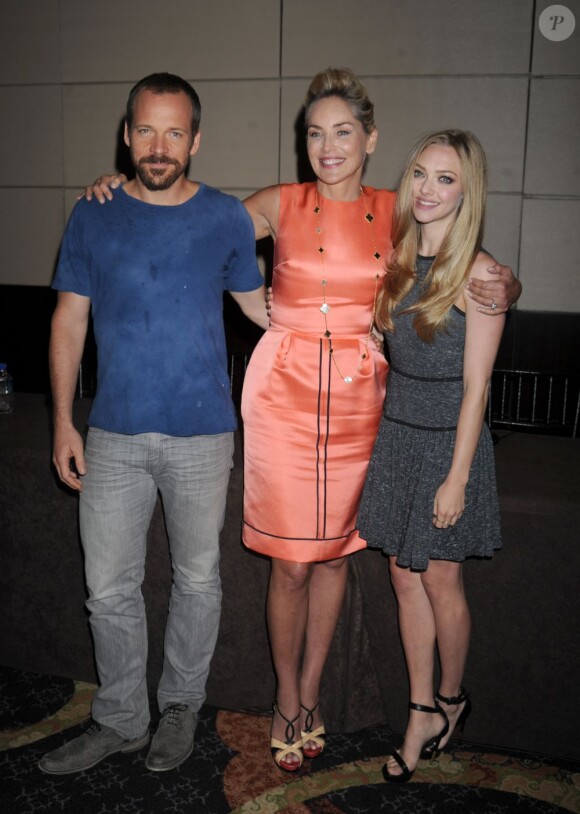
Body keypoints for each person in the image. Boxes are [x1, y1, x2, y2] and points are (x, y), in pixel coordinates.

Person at [83, 69, 519, 773]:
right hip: (284, 394)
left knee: (337, 559)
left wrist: (508, 284)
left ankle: (314, 694)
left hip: (364, 402)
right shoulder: (280, 204)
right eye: (315, 133)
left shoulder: (397, 207)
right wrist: (117, 188)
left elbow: (461, 248)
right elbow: (191, 215)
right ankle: (287, 696)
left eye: (343, 131)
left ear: (371, 139)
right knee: (289, 562)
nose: (328, 146)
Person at [39, 73, 268, 776]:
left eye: (174, 132)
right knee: (108, 587)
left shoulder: (226, 217)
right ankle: (121, 718)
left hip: (205, 434)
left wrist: (360, 323)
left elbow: (266, 312)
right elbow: (68, 321)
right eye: (146, 130)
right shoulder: (93, 214)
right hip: (111, 433)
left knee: (198, 582)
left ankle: (180, 710)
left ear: (195, 140)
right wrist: (62, 422)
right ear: (126, 135)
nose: (159, 146)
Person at [357, 129, 505, 783]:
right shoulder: (397, 257)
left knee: (440, 579)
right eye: (420, 172)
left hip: (449, 439)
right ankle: (419, 710)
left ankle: (451, 696)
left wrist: (458, 478)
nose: (426, 188)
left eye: (444, 178)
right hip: (398, 433)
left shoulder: (481, 273)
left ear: (466, 191)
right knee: (400, 575)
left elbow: (478, 387)